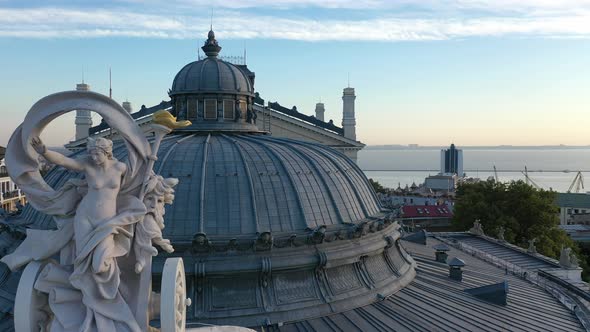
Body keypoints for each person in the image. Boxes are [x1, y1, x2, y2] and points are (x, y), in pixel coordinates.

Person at [29, 136, 143, 331]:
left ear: (107, 152)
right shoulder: (88, 166)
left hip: (107, 223)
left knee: (100, 265)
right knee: (83, 264)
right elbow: (65, 161)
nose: (94, 158)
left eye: (97, 153)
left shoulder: (120, 168)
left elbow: (137, 173)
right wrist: (44, 151)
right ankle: (91, 309)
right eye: (91, 154)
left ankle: (107, 304)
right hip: (85, 219)